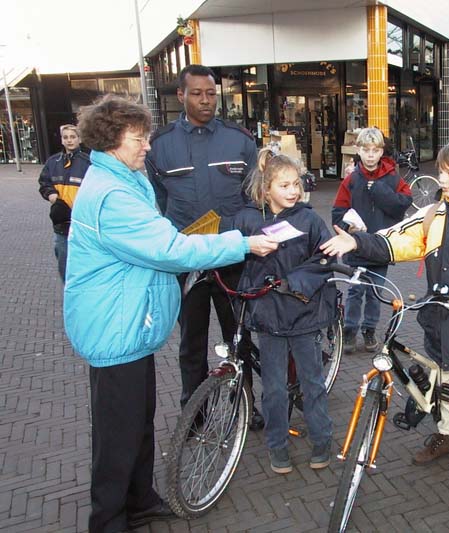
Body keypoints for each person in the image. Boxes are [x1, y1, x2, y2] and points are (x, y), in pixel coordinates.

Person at [63, 95, 275, 533]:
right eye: (139, 139)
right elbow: (170, 248)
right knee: (117, 434)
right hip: (114, 325)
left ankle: (139, 500)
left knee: (137, 423)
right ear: (112, 141)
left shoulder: (122, 179)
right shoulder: (112, 195)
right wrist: (241, 243)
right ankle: (107, 520)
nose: (147, 147)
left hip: (127, 323)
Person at [322, 137, 449, 499]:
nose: (441, 180)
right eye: (441, 173)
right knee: (446, 387)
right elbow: (396, 239)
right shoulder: (433, 214)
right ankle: (448, 437)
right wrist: (358, 243)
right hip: (440, 323)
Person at [145, 64, 263, 428]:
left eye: (211, 93)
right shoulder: (160, 146)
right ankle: (194, 415)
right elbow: (156, 203)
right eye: (197, 93)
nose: (206, 100)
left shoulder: (239, 140)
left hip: (231, 258)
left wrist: (243, 235)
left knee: (239, 337)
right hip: (187, 260)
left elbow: (254, 197)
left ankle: (245, 405)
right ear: (180, 96)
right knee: (191, 344)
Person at [230, 152, 336, 473]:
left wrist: (294, 282)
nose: (293, 191)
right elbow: (234, 259)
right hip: (269, 319)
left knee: (312, 382)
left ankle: (322, 438)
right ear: (266, 189)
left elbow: (325, 258)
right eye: (284, 185)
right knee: (273, 388)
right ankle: (277, 445)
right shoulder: (247, 220)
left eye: (297, 183)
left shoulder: (309, 220)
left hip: (303, 314)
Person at [331, 127, 412, 353]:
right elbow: (337, 213)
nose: (370, 155)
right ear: (358, 150)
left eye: (375, 150)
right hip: (355, 245)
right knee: (355, 291)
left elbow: (403, 202)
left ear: (381, 151)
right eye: (365, 150)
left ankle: (369, 330)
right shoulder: (351, 180)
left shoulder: (392, 177)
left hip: (380, 245)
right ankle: (349, 331)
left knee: (375, 291)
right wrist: (348, 226)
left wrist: (377, 189)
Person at [38, 124, 91, 282]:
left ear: (79, 139)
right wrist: (52, 196)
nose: (69, 140)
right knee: (64, 262)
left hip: (83, 223)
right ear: (61, 140)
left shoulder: (89, 162)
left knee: (86, 262)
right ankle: (69, 293)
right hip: (61, 225)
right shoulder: (53, 162)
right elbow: (44, 183)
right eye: (66, 137)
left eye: (73, 137)